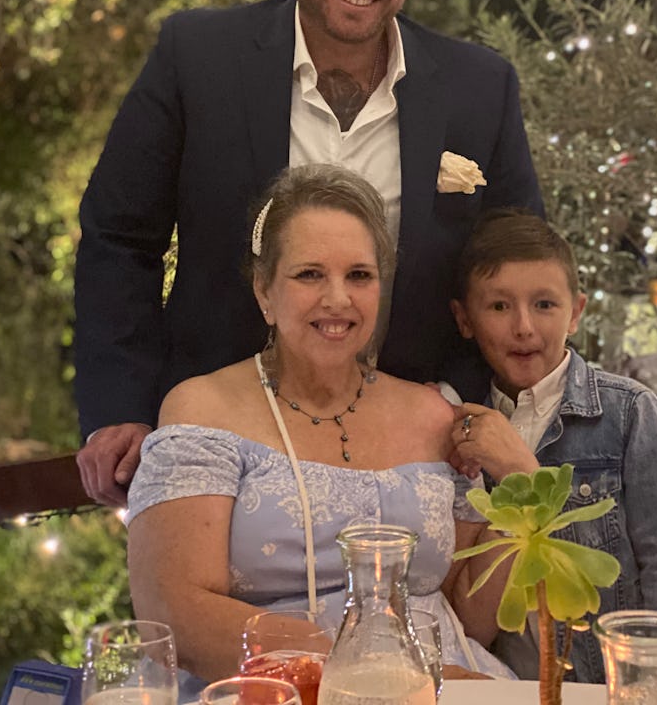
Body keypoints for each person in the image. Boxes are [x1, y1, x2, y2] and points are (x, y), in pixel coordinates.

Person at [74, 0, 544, 506]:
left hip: (419, 455)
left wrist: (483, 410)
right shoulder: (198, 56)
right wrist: (119, 404)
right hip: (222, 444)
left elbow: (518, 267)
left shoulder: (480, 89)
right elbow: (118, 239)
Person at [125, 164, 515, 697]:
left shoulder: (436, 411)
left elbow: (473, 615)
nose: (338, 299)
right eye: (310, 274)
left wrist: (521, 480)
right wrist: (377, 677)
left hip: (452, 685)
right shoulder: (203, 410)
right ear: (264, 289)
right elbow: (176, 614)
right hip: (276, 690)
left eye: (360, 275)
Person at [445, 208, 657, 683]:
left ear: (576, 312)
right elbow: (469, 622)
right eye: (499, 306)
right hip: (507, 687)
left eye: (544, 305)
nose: (523, 327)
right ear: (464, 318)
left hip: (609, 685)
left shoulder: (629, 413)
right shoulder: (460, 431)